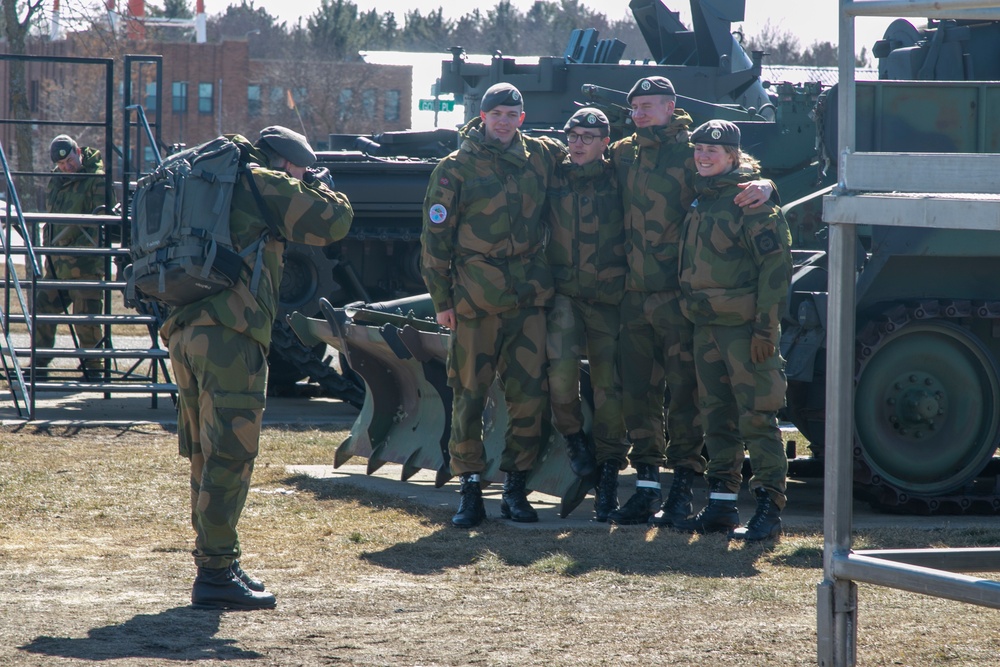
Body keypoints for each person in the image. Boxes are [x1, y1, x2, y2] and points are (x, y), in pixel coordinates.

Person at [161, 126, 353, 609]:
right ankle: (216, 574)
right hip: (231, 336)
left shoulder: (213, 181)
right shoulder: (264, 181)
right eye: (299, 170)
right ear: (287, 162)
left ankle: (218, 562)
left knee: (206, 453)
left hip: (186, 328)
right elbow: (336, 221)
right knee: (230, 454)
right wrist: (320, 184)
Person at [607, 76, 772, 526]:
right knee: (638, 395)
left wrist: (768, 187)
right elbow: (576, 160)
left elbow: (740, 179)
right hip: (634, 296)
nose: (640, 113)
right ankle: (645, 485)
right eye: (635, 106)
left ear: (670, 106)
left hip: (680, 299)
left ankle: (681, 487)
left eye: (649, 105)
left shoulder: (693, 153)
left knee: (685, 396)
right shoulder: (624, 153)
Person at [421, 83, 565, 529]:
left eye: (511, 113)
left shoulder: (541, 156)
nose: (503, 120)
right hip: (476, 296)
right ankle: (468, 487)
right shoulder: (455, 168)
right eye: (495, 113)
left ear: (522, 118)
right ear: (482, 116)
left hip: (528, 295)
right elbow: (434, 240)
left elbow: (594, 151)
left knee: (528, 395)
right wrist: (442, 301)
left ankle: (516, 485)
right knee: (469, 392)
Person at [672, 120, 793, 540]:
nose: (704, 156)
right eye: (699, 148)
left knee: (757, 417)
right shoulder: (703, 198)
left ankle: (769, 509)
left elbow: (776, 271)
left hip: (744, 330)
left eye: (714, 150)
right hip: (707, 326)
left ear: (733, 157)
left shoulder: (750, 202)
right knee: (717, 418)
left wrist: (765, 331)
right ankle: (722, 505)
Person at [544, 107, 628, 520]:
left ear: (605, 143)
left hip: (610, 299)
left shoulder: (622, 175)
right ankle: (574, 437)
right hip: (565, 295)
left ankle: (610, 467)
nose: (577, 143)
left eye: (588, 137)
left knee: (609, 388)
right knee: (560, 374)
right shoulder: (552, 172)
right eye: (572, 135)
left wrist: (765, 184)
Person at [35, 134, 114, 378]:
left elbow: (101, 223)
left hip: (85, 265)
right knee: (43, 306)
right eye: (61, 165)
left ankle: (94, 369)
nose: (67, 167)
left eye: (69, 161)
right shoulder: (57, 181)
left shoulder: (96, 179)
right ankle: (39, 365)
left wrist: (73, 247)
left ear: (78, 152)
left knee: (86, 319)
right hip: (57, 265)